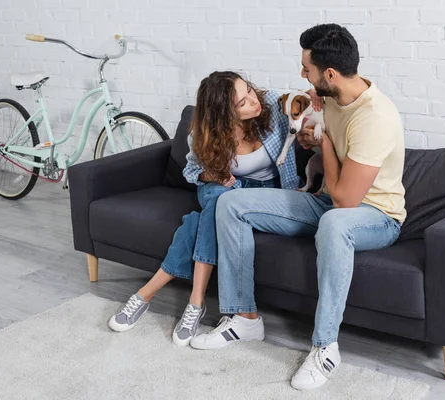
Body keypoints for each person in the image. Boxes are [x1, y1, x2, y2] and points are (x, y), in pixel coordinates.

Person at [189, 24, 407, 391]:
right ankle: (244, 318)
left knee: (336, 224)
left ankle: (325, 347)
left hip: (375, 217)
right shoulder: (333, 96)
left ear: (330, 74)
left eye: (307, 68)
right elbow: (299, 103)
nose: (303, 73)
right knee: (230, 203)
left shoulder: (376, 118)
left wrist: (321, 142)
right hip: (325, 203)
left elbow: (345, 202)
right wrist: (312, 120)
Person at [107, 71, 300, 347]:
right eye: (241, 103)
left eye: (249, 91)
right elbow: (193, 171)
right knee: (219, 200)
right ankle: (195, 303)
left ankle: (150, 295)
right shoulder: (206, 132)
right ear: (224, 114)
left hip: (264, 192)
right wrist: (215, 176)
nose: (252, 101)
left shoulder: (271, 106)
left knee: (198, 220)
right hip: (220, 186)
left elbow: (304, 101)